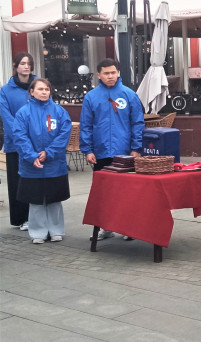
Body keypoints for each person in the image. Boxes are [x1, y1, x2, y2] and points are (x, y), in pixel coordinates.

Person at [80, 58, 145, 240]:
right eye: (106, 73)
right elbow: (86, 125)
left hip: (124, 152)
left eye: (113, 72)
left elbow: (137, 123)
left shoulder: (129, 95)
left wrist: (136, 147)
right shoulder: (91, 97)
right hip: (100, 152)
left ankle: (127, 227)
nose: (110, 76)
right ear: (99, 75)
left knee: (126, 192)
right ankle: (105, 227)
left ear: (118, 73)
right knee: (103, 193)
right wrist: (88, 150)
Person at [13, 79, 72, 244]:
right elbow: (20, 136)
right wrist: (32, 156)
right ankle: (38, 232)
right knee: (36, 200)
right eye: (40, 89)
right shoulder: (23, 113)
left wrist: (49, 152)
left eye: (47, 89)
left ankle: (56, 230)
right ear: (32, 92)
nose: (44, 92)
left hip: (54, 164)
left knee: (54, 199)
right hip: (32, 165)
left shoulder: (59, 112)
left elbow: (64, 134)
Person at [0, 52, 36, 230]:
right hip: (15, 145)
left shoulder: (39, 85)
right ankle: (21, 218)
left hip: (37, 143)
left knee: (34, 181)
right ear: (15, 66)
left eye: (29, 63)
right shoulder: (5, 90)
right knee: (17, 181)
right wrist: (23, 139)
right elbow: (7, 119)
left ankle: (36, 216)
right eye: (22, 63)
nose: (26, 66)